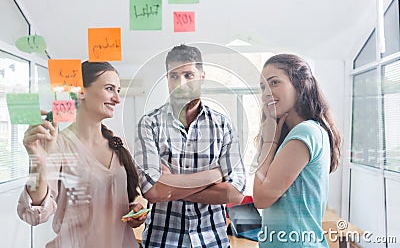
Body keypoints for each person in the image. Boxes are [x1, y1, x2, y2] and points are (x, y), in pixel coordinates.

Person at [17, 61, 145, 248]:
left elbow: (131, 194)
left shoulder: (118, 142)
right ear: (80, 92)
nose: (117, 99)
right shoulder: (58, 145)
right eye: (110, 89)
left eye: (118, 90)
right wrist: (38, 162)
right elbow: (34, 215)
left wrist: (136, 209)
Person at [134, 44, 247, 248]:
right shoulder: (149, 124)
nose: (180, 83)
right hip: (162, 241)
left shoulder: (222, 125)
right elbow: (151, 191)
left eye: (188, 75)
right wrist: (214, 176)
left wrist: (169, 186)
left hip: (212, 241)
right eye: (173, 76)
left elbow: (236, 193)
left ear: (202, 76)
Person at [252, 54, 341, 247]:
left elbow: (261, 197)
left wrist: (270, 141)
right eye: (262, 87)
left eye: (274, 82)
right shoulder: (301, 132)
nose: (266, 93)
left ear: (300, 84)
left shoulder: (305, 132)